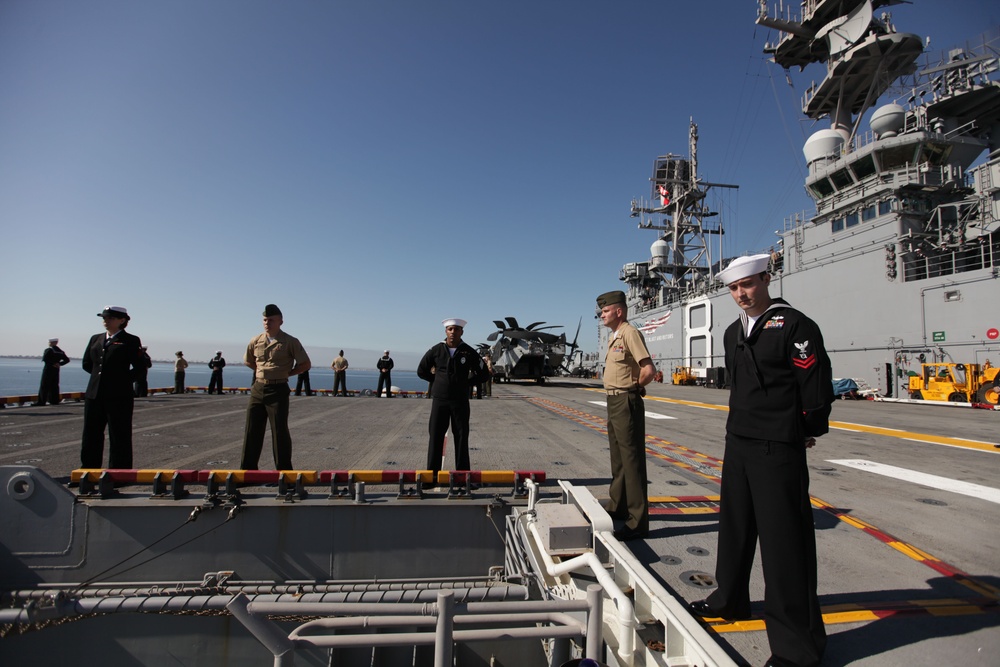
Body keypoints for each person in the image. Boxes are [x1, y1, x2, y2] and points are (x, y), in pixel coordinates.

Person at [688, 254, 832, 667]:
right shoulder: (733, 331)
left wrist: (807, 429)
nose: (741, 294)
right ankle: (729, 599)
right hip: (740, 441)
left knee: (785, 545)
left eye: (747, 285)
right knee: (734, 527)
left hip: (777, 446)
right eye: (734, 288)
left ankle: (797, 649)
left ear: (766, 279)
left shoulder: (795, 325)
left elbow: (814, 384)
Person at [597, 290, 655, 541]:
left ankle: (637, 521)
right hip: (613, 400)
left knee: (632, 463)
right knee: (618, 459)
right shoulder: (615, 336)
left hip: (625, 400)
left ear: (619, 311)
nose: (602, 314)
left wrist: (635, 388)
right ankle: (618, 506)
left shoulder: (630, 333)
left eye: (606, 310)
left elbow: (648, 369)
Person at [416, 318, 491, 484]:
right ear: (445, 331)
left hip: (460, 401)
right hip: (440, 401)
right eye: (450, 329)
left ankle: (462, 477)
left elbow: (484, 374)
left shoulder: (469, 352)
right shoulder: (436, 350)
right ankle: (432, 476)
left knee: (461, 437)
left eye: (456, 329)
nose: (453, 332)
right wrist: (437, 381)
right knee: (435, 437)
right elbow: (421, 370)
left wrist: (467, 383)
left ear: (461, 332)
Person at [240, 304, 311, 470]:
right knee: (251, 430)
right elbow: (248, 360)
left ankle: (284, 473)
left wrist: (286, 373)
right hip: (258, 388)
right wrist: (262, 373)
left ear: (281, 321)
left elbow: (305, 364)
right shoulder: (255, 340)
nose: (267, 323)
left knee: (279, 431)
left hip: (278, 389)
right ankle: (248, 472)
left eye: (271, 320)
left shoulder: (290, 341)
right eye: (265, 320)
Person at [81, 305, 144, 469]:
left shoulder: (131, 340)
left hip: (119, 395)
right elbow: (87, 364)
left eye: (110, 318)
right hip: (94, 394)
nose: (105, 321)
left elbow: (140, 368)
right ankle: (88, 469)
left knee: (119, 434)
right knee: (91, 433)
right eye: (104, 318)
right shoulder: (95, 339)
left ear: (122, 320)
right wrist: (101, 380)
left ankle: (119, 472)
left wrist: (121, 381)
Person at [36, 337, 70, 405]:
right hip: (56, 370)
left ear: (52, 343)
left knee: (44, 385)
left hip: (48, 369)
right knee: (54, 385)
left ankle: (42, 401)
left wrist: (52, 364)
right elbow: (67, 360)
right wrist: (59, 364)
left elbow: (45, 359)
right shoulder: (60, 351)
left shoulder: (49, 350)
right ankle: (54, 400)